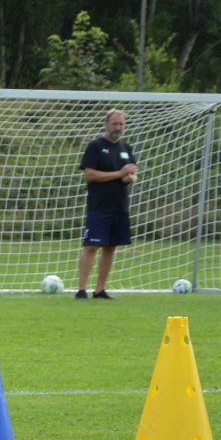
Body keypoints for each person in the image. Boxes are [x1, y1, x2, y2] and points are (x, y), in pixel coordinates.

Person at [77, 109, 136, 299]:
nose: (118, 128)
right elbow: (90, 175)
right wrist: (119, 174)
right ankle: (81, 290)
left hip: (119, 205)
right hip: (99, 205)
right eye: (114, 124)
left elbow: (131, 173)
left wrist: (130, 178)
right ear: (106, 124)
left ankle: (100, 290)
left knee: (110, 247)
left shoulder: (126, 148)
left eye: (121, 124)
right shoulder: (95, 146)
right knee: (91, 247)